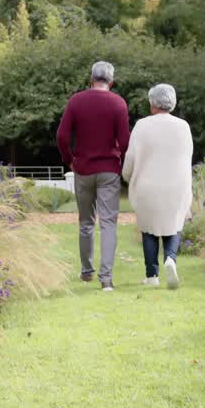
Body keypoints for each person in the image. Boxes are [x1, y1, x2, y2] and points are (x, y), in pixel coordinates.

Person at [56, 61, 130, 292]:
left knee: (85, 222)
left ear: (91, 79)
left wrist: (70, 159)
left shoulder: (76, 101)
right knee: (108, 223)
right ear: (111, 81)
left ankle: (87, 271)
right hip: (109, 169)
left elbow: (62, 135)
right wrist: (123, 162)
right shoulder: (118, 103)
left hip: (83, 169)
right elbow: (126, 141)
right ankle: (106, 279)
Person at [122, 83, 193, 290]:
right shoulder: (183, 126)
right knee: (174, 223)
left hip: (148, 185)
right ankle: (170, 259)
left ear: (152, 103)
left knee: (149, 229)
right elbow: (187, 157)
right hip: (176, 185)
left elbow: (131, 157)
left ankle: (152, 275)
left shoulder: (142, 125)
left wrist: (127, 176)